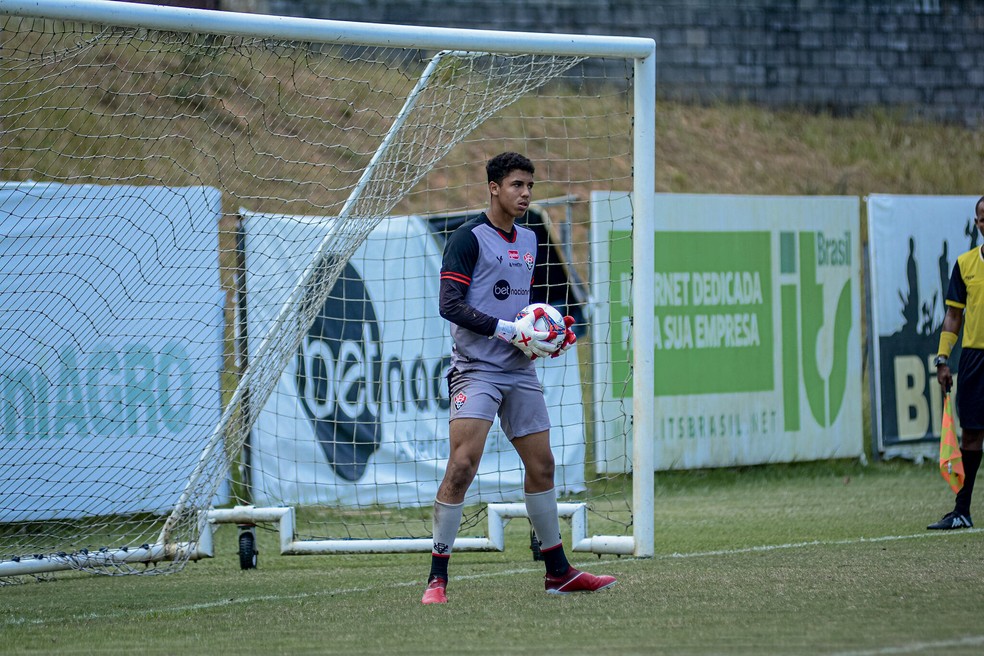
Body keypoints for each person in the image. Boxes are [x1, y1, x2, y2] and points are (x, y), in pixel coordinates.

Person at [421, 152, 616, 604]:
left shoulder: (531, 238)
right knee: (463, 465)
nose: (526, 193)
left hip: (519, 368)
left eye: (529, 186)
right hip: (477, 369)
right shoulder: (468, 238)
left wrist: (552, 334)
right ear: (494, 187)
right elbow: (449, 305)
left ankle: (558, 572)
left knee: (543, 465)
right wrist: (506, 329)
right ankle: (437, 578)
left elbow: (539, 308)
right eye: (516, 185)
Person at [928, 196, 984, 530]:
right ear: (977, 223)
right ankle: (962, 511)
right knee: (972, 433)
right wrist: (943, 359)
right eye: (981, 218)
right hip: (976, 358)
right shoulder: (965, 265)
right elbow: (953, 316)